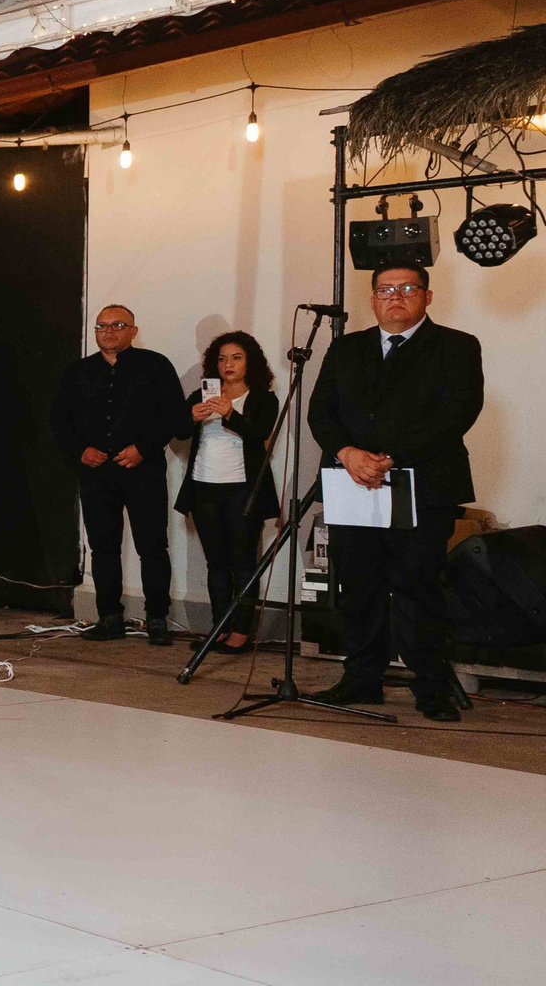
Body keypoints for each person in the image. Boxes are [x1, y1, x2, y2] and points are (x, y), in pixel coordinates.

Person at [307, 264, 485, 720]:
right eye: (385, 289)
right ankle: (361, 679)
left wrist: (383, 458)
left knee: (417, 586)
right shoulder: (346, 348)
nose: (395, 297)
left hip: (423, 484)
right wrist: (348, 453)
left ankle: (431, 687)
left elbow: (457, 413)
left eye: (408, 288)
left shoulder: (457, 346)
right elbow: (321, 412)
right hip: (352, 482)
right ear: (372, 299)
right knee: (358, 586)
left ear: (427, 296)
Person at [50, 304, 193, 644]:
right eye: (102, 326)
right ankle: (109, 618)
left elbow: (176, 418)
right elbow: (59, 420)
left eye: (117, 325)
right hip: (97, 475)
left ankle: (157, 619)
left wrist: (142, 448)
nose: (109, 331)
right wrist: (80, 450)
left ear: (133, 330)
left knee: (153, 547)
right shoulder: (78, 372)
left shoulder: (156, 366)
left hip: (143, 471)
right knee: (103, 548)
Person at [178, 331, 281, 652]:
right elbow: (177, 430)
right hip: (204, 486)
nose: (228, 365)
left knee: (243, 562)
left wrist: (229, 414)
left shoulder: (264, 397)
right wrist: (190, 418)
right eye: (222, 359)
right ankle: (219, 626)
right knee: (216, 563)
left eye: (236, 358)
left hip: (243, 490)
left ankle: (241, 631)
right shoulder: (202, 394)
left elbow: (259, 434)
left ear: (250, 361)